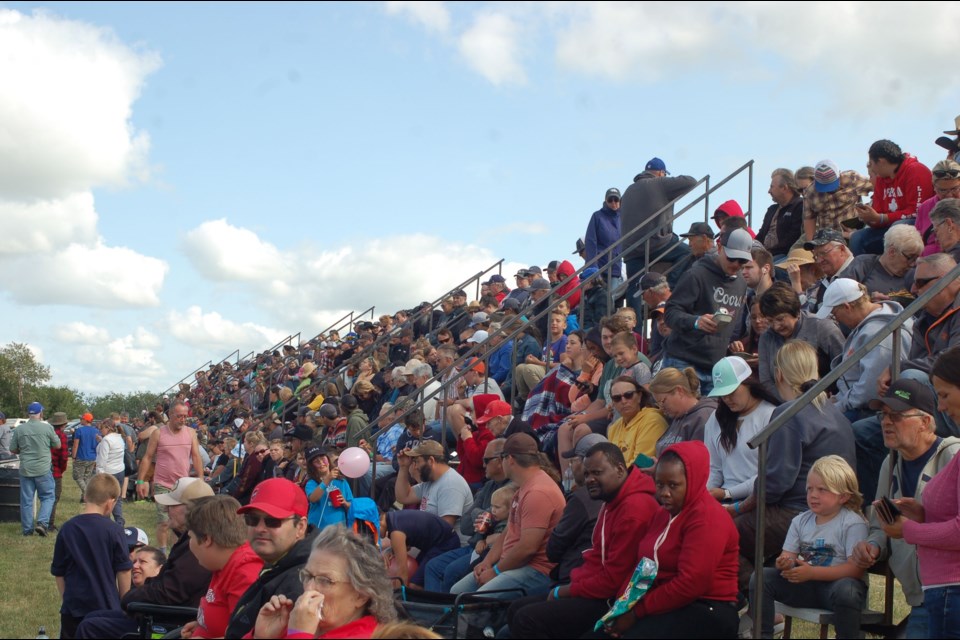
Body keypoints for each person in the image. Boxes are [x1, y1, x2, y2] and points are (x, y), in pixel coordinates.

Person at [733, 340, 856, 595]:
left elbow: (774, 484)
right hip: (830, 510)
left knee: (716, 533)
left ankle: (758, 601)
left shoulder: (789, 412)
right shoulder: (837, 414)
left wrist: (737, 508)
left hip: (799, 511)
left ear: (779, 374)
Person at [508, 441, 661, 639]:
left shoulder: (634, 509)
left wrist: (565, 591)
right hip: (593, 587)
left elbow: (613, 581)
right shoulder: (612, 499)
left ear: (620, 470)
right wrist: (573, 585)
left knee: (526, 618)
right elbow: (597, 558)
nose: (590, 479)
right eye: (587, 474)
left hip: (612, 600)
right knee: (516, 609)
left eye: (597, 472)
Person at [851, 377, 960, 639]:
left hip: (950, 590)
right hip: (921, 597)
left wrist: (908, 529)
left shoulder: (952, 456)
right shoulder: (889, 465)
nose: (886, 422)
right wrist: (874, 545)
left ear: (925, 422)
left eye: (897, 415)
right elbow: (879, 525)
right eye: (883, 415)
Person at [597, 441, 740, 638]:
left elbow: (690, 583)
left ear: (694, 480)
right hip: (663, 601)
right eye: (659, 484)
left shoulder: (707, 518)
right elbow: (645, 566)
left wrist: (636, 613)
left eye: (673, 485)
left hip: (706, 608)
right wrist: (622, 606)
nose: (664, 493)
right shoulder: (664, 513)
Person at [75, 477, 215, 639]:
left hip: (171, 622)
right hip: (163, 616)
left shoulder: (198, 546)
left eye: (172, 505)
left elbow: (169, 592)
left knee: (90, 627)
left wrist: (129, 598)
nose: (166, 509)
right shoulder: (189, 541)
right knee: (93, 618)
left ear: (191, 510)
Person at [751, 456, 868, 639]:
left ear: (843, 496)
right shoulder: (800, 521)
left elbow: (855, 570)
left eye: (822, 490)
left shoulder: (852, 523)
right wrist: (785, 564)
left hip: (836, 590)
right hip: (805, 586)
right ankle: (762, 635)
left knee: (848, 590)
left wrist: (813, 573)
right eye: (810, 489)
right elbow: (788, 556)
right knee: (761, 578)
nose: (813, 495)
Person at [451, 433, 566, 598]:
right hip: (513, 565)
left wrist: (496, 571)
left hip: (534, 570)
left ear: (509, 459)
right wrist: (487, 562)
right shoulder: (525, 486)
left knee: (474, 603)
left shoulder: (538, 491)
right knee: (456, 592)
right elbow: (508, 532)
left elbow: (527, 548)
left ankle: (485, 624)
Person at [253, 526, 397, 639]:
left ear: (361, 595)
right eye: (308, 576)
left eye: (326, 581)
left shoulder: (372, 636)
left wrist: (298, 635)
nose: (309, 589)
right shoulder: (298, 625)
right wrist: (260, 637)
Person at [225, 478, 319, 638]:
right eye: (252, 519)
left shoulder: (301, 584)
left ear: (301, 527)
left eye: (273, 521)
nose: (260, 528)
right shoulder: (281, 562)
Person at [662, 228, 751, 394]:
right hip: (683, 361)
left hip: (716, 367)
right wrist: (696, 322)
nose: (736, 265)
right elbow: (670, 312)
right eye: (732, 258)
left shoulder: (741, 283)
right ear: (719, 249)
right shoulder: (696, 274)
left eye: (742, 261)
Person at [51, 473, 132, 639]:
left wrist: (67, 598)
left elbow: (59, 572)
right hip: (106, 606)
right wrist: (125, 605)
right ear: (111, 502)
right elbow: (123, 571)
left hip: (73, 608)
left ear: (86, 496)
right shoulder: (114, 530)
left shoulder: (67, 528)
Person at [423, 438, 509, 592]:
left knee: (451, 571)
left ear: (501, 460)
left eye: (486, 460)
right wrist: (485, 514)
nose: (483, 465)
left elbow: (491, 524)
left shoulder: (511, 490)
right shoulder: (489, 485)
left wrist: (482, 515)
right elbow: (466, 525)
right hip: (472, 546)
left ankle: (448, 613)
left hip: (489, 549)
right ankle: (434, 610)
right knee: (433, 566)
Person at [176, 495, 264, 639]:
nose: (189, 543)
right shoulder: (222, 564)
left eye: (190, 537)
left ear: (206, 540)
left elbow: (248, 634)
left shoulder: (245, 572)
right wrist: (203, 625)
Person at [620, 158, 698, 318]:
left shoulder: (628, 190)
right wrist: (665, 180)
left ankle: (634, 329)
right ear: (661, 173)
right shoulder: (659, 183)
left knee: (634, 288)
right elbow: (691, 181)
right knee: (687, 253)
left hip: (630, 250)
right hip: (656, 243)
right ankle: (670, 288)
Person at [704, 357, 779, 507]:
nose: (726, 398)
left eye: (731, 391)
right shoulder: (716, 418)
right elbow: (713, 466)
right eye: (722, 394)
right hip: (722, 496)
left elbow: (769, 473)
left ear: (748, 383)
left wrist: (728, 493)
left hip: (756, 501)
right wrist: (705, 493)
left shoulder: (771, 414)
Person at [136, 401, 205, 553]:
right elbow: (147, 457)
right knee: (164, 521)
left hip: (183, 485)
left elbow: (196, 456)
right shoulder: (159, 433)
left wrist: (200, 479)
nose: (183, 419)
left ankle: (176, 552)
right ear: (170, 415)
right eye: (179, 416)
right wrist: (140, 481)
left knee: (180, 522)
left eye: (185, 416)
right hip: (162, 483)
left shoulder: (190, 433)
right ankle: (162, 552)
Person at [757, 282, 844, 400]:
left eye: (780, 319)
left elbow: (844, 367)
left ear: (796, 312)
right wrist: (789, 402)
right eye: (770, 321)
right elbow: (766, 380)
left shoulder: (822, 328)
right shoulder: (766, 338)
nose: (776, 326)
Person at [850, 140, 933, 256]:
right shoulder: (881, 179)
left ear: (881, 161)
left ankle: (896, 269)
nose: (872, 169)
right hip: (890, 229)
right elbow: (878, 214)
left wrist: (882, 218)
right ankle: (867, 271)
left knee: (897, 228)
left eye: (872, 163)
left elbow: (917, 212)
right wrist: (869, 218)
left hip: (918, 226)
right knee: (857, 238)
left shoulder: (916, 170)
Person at [394, 440, 473, 533]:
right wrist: (403, 467)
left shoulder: (450, 485)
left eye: (418, 462)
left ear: (431, 461)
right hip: (432, 541)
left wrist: (412, 537)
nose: (415, 467)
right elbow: (403, 497)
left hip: (451, 545)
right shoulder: (431, 481)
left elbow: (444, 528)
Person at [10, 401, 60, 536]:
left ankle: (27, 530)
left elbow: (12, 449)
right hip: (43, 469)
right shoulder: (47, 428)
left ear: (29, 414)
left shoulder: (20, 429)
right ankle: (42, 523)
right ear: (40, 413)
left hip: (26, 469)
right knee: (48, 497)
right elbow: (57, 445)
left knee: (26, 500)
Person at [649, 367, 717, 458]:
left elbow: (699, 463)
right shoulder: (677, 416)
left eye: (663, 401)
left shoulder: (704, 417)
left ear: (679, 391)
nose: (661, 408)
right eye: (658, 404)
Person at [382, 509, 460, 588]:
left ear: (379, 521)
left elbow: (402, 573)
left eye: (372, 530)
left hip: (445, 543)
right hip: (434, 544)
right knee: (414, 576)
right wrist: (390, 551)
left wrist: (396, 597)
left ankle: (432, 599)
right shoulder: (393, 519)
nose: (373, 534)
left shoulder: (396, 532)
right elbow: (406, 547)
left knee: (414, 585)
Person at [801, 159, 873, 242]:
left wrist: (871, 206)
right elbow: (809, 219)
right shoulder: (810, 192)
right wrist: (811, 243)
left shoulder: (852, 179)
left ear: (839, 174)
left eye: (831, 185)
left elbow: (877, 186)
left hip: (851, 234)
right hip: (827, 238)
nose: (828, 190)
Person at [606, 376, 668, 463]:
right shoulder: (614, 427)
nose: (623, 401)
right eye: (617, 398)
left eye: (628, 395)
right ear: (613, 403)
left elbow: (642, 464)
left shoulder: (653, 421)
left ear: (639, 396)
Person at [757, 168, 804, 261]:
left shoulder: (800, 206)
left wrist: (768, 253)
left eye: (772, 187)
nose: (769, 191)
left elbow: (793, 238)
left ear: (784, 188)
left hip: (785, 255)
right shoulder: (771, 210)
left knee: (768, 269)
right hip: (765, 256)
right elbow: (761, 235)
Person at [304, 446, 354, 531]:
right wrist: (328, 479)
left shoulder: (341, 481)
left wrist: (345, 503)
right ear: (312, 466)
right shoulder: (311, 483)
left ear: (328, 460)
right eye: (316, 461)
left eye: (323, 459)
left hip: (338, 529)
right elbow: (313, 498)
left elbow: (352, 505)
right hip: (317, 529)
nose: (321, 463)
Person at [585, 187, 624, 291]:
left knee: (611, 298)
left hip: (615, 267)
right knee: (599, 298)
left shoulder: (623, 217)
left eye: (616, 200)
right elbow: (590, 241)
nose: (613, 202)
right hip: (600, 267)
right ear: (605, 201)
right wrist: (593, 267)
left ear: (620, 201)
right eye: (610, 200)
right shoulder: (597, 216)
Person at [49, 411, 70, 532]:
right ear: (64, 424)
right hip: (56, 470)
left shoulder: (48, 433)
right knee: (54, 497)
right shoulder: (61, 436)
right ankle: (49, 523)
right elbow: (64, 456)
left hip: (45, 468)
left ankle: (44, 520)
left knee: (46, 497)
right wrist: (62, 469)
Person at [71, 412, 99, 497]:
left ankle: (87, 494)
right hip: (92, 457)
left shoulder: (80, 430)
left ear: (85, 420)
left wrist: (73, 456)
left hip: (81, 456)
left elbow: (76, 445)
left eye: (81, 419)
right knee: (87, 477)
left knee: (78, 477)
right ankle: (84, 497)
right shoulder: (96, 431)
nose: (80, 420)